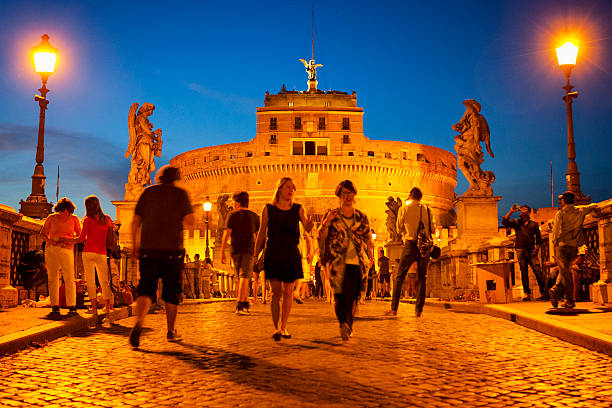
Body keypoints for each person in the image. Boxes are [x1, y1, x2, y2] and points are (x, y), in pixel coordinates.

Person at [129, 165, 194, 348]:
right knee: (171, 293)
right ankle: (171, 331)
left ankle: (138, 323)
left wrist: (135, 245)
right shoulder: (181, 194)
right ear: (176, 178)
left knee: (146, 290)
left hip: (148, 249)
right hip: (172, 250)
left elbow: (135, 222)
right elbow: (190, 221)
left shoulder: (148, 193)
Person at [254, 177, 312, 341]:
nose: (291, 190)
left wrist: (313, 223)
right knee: (275, 292)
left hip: (291, 253)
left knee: (288, 292)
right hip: (273, 252)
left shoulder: (299, 209)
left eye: (293, 188)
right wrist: (255, 255)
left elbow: (307, 228)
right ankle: (276, 327)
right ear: (279, 189)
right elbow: (261, 234)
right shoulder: (268, 209)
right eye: (288, 187)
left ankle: (282, 327)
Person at [319, 180, 374, 341]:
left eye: (350, 193)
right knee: (340, 297)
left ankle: (348, 324)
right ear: (339, 195)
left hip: (357, 262)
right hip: (337, 262)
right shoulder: (332, 216)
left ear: (354, 195)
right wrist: (326, 223)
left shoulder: (361, 217)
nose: (348, 196)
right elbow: (322, 236)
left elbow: (367, 237)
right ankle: (343, 322)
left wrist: (371, 248)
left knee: (353, 296)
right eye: (344, 193)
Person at [388, 187, 435, 317]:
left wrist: (406, 231)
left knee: (399, 277)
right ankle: (418, 310)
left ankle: (394, 309)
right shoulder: (427, 209)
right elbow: (433, 230)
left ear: (410, 196)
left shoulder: (404, 209)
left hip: (409, 244)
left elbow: (398, 229)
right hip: (424, 247)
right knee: (422, 278)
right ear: (421, 197)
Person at [549, 191, 599, 309]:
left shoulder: (560, 213)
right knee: (565, 271)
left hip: (562, 245)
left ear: (563, 201)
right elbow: (592, 206)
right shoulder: (580, 211)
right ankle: (559, 291)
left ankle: (565, 296)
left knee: (565, 272)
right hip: (573, 246)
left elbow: (555, 231)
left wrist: (555, 243)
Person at [221, 191, 260, 315]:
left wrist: (222, 251)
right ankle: (240, 304)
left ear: (238, 202)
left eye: (234, 201)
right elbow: (257, 236)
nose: (233, 203)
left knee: (241, 277)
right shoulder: (254, 216)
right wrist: (258, 251)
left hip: (235, 250)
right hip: (248, 250)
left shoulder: (232, 215)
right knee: (245, 276)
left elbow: (226, 234)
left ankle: (245, 302)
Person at [40, 197, 81, 316]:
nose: (63, 214)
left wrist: (68, 240)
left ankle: (72, 305)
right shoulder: (51, 218)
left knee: (69, 277)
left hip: (66, 250)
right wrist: (51, 241)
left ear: (69, 211)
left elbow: (80, 237)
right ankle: (54, 305)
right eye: (61, 211)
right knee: (52, 278)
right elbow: (42, 234)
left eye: (65, 211)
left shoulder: (74, 219)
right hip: (51, 249)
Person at [502, 204, 547, 301]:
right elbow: (504, 222)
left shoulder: (534, 224)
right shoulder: (517, 222)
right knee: (524, 272)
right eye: (522, 209)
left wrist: (537, 248)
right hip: (520, 249)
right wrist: (511, 211)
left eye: (525, 209)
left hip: (531, 250)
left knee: (537, 271)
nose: (523, 210)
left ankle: (544, 292)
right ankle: (527, 293)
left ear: (529, 212)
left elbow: (538, 238)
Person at [79, 195, 113, 315]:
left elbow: (81, 238)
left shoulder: (87, 220)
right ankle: (107, 307)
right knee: (104, 281)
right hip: (102, 253)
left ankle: (94, 309)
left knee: (90, 280)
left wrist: (67, 240)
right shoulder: (107, 219)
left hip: (88, 252)